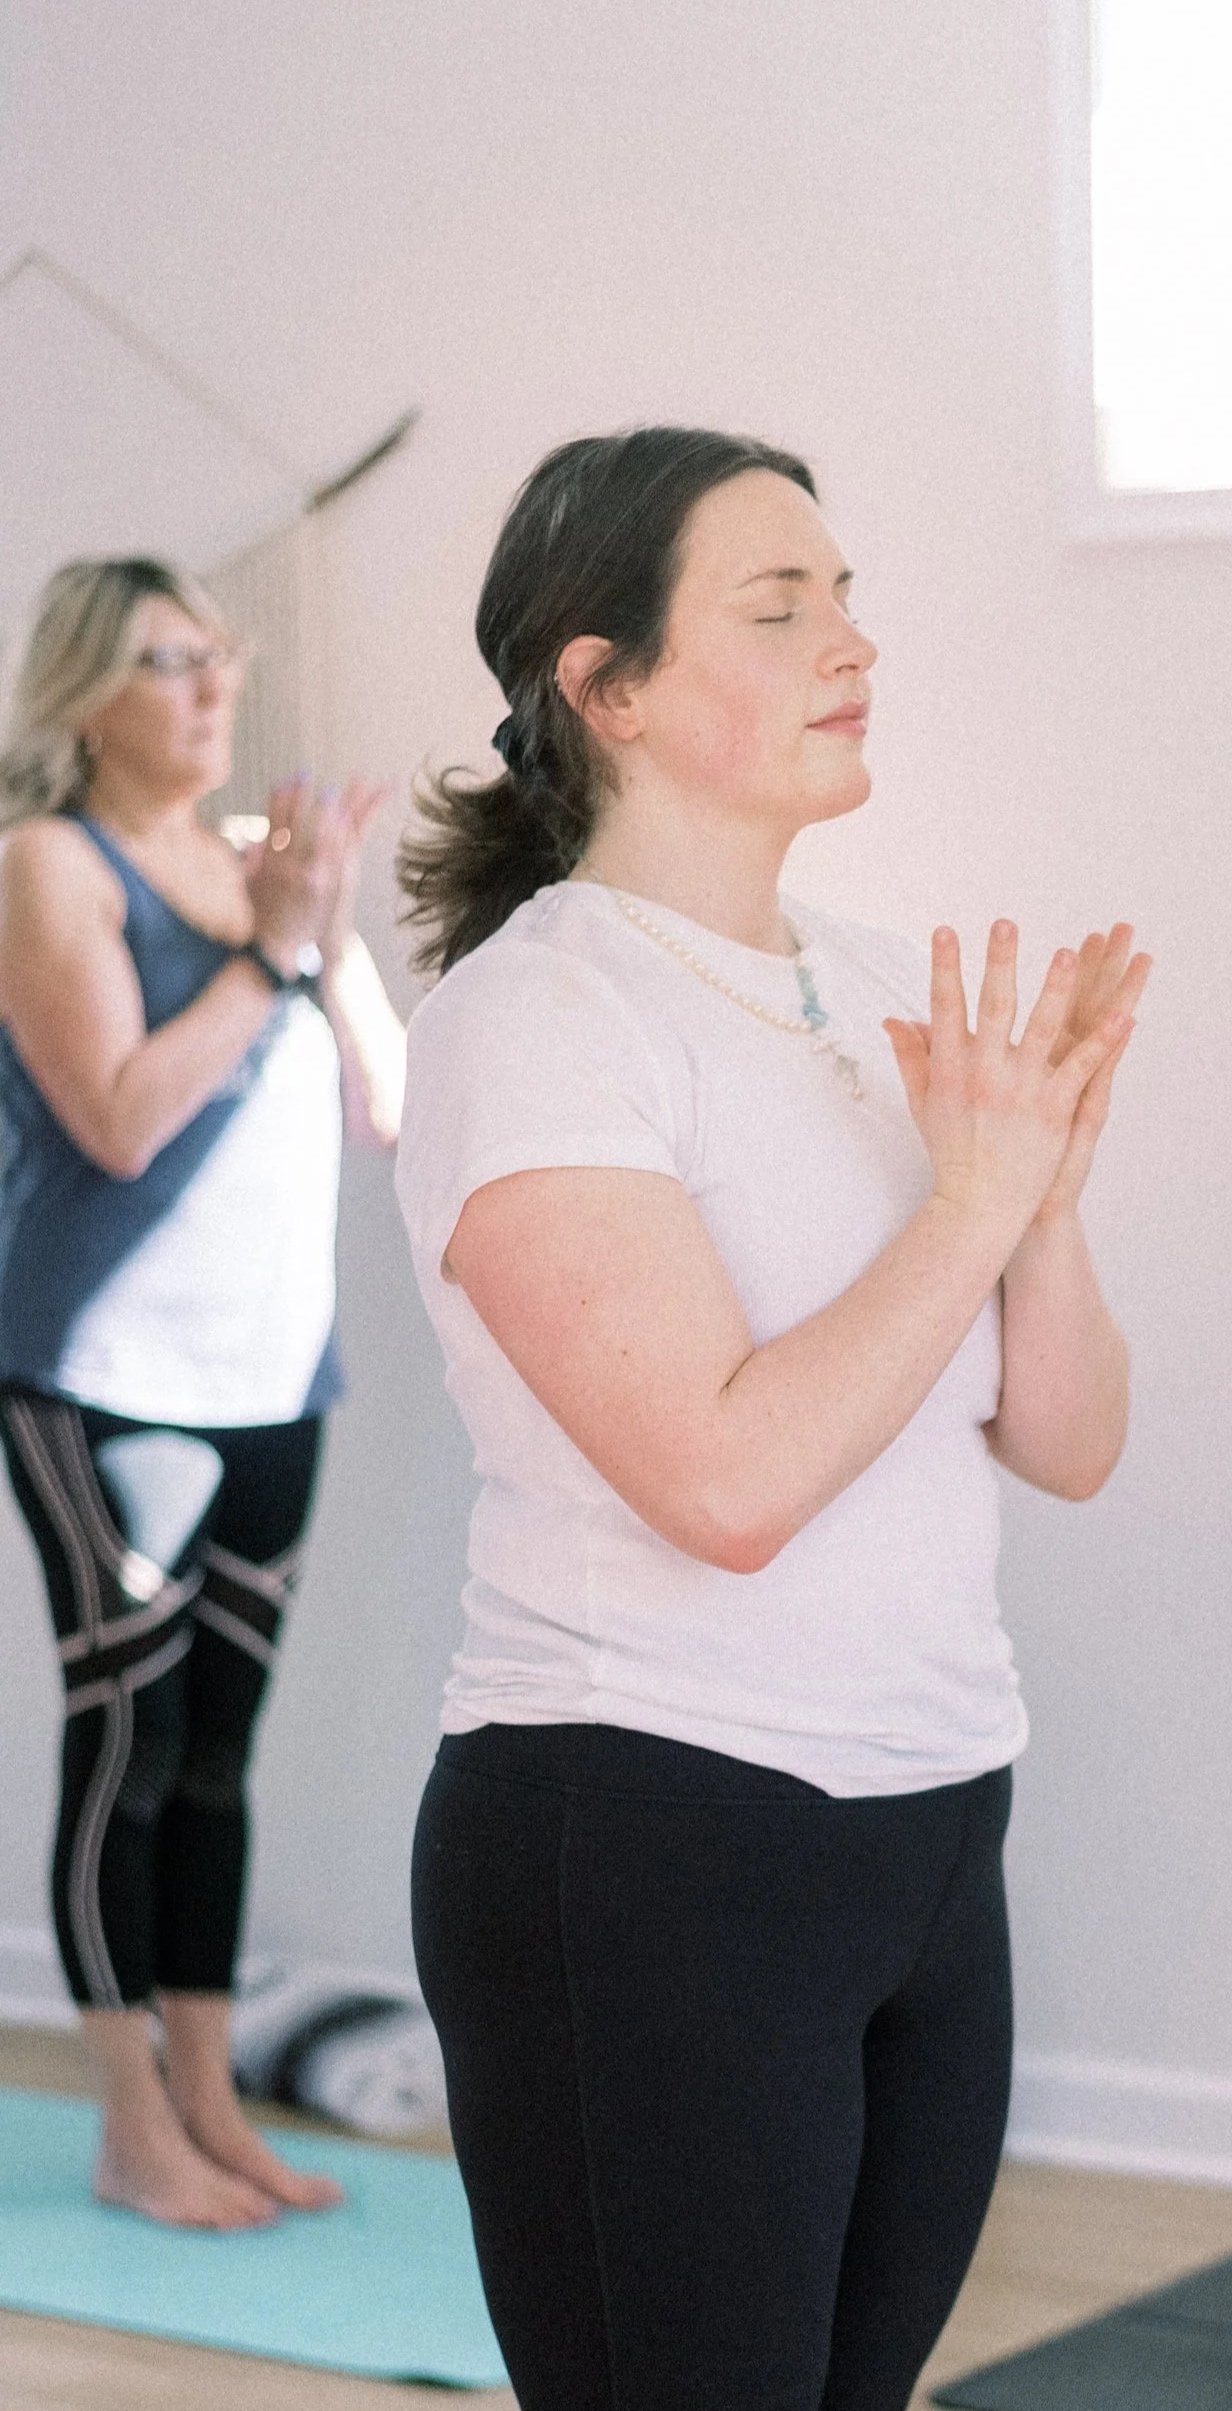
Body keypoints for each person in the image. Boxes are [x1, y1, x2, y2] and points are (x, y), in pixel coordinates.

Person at [395, 427, 1151, 2411]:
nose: (850, 639)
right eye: (778, 602)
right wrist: (970, 1202)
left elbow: (1064, 1440)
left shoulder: (888, 990)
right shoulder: (532, 1017)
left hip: (927, 1832)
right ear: (605, 684)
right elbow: (724, 1483)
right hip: (650, 1841)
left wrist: (1040, 1201)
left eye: (846, 592)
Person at [0, 556, 406, 2229]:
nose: (210, 690)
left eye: (218, 659)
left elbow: (385, 1102)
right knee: (133, 1742)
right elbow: (116, 1117)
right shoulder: (46, 866)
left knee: (221, 1756)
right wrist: (272, 952)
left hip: (274, 1377)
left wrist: (326, 921)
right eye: (168, 662)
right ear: (86, 692)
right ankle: (129, 2130)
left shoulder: (264, 870)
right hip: (106, 1380)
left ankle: (209, 2105)